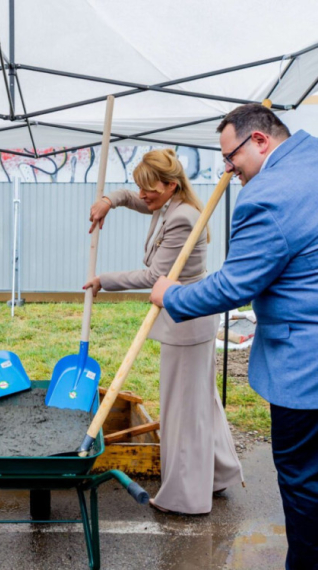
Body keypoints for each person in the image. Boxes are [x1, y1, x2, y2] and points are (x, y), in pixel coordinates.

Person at [151, 104, 318, 568]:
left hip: (306, 370)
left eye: (231, 157)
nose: (228, 168)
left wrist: (171, 296)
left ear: (260, 140)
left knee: (305, 483)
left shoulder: (268, 194)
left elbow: (236, 285)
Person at [85, 148, 243, 515]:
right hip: (188, 319)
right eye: (141, 189)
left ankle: (185, 498)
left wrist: (103, 281)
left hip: (187, 321)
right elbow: (133, 197)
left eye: (150, 190)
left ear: (171, 185)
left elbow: (156, 278)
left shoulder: (183, 218)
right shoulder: (169, 203)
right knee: (201, 401)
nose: (144, 197)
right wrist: (110, 199)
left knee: (183, 410)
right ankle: (218, 474)